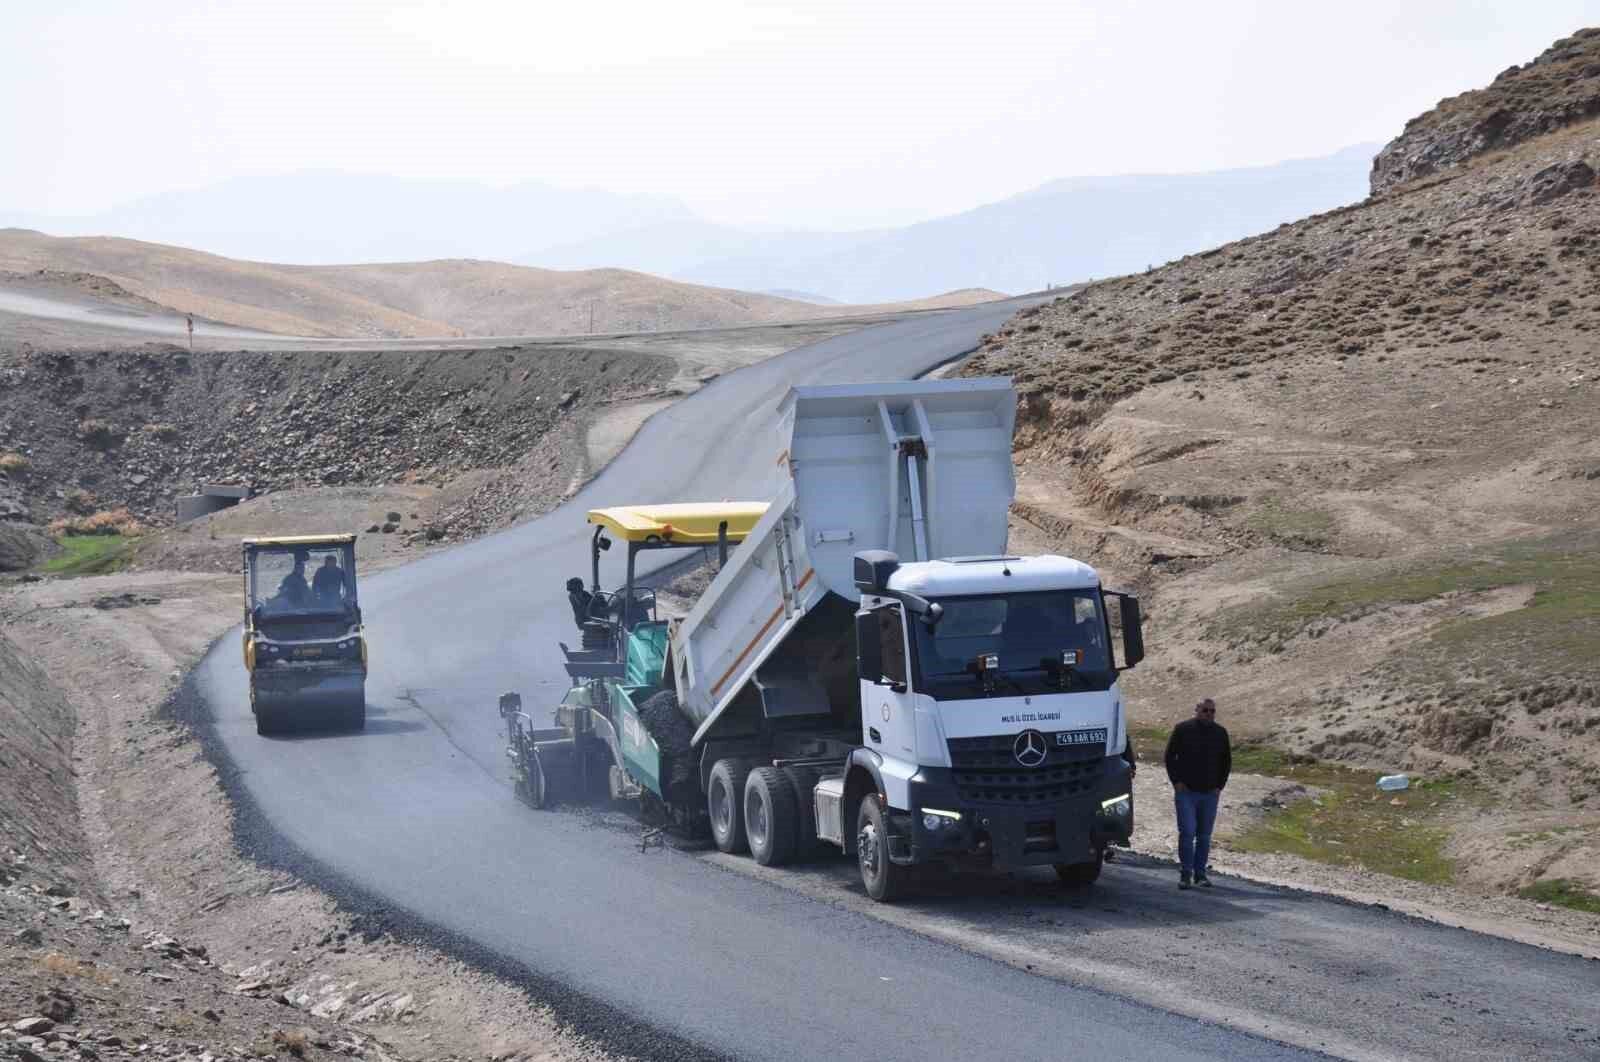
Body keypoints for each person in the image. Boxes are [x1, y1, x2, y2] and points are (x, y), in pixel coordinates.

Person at [1164, 697, 1231, 889]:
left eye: (1212, 711)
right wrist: (1176, 782)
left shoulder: (1220, 733)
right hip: (1186, 792)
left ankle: (1200, 874)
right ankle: (1185, 873)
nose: (1209, 714)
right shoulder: (1183, 729)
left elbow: (1226, 761)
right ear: (1197, 710)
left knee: (1204, 835)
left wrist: (1219, 786)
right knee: (1187, 832)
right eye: (1205, 710)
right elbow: (1169, 756)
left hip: (1210, 793)